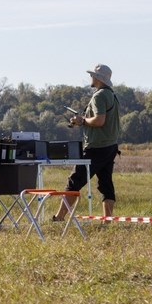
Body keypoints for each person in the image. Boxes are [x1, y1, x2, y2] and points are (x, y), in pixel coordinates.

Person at [54, 64, 121, 222]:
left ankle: (59, 218)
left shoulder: (99, 96)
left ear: (98, 78)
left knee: (74, 181)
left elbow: (99, 120)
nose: (91, 78)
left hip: (96, 147)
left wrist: (82, 121)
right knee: (105, 184)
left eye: (93, 75)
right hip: (110, 146)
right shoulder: (111, 95)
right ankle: (107, 221)